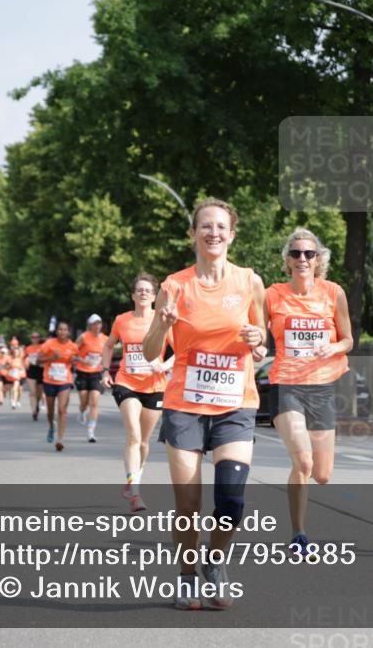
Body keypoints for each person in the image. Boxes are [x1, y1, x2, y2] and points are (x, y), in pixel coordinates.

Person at [143, 198, 266, 610]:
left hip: (236, 403)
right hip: (185, 404)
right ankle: (186, 577)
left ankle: (215, 561)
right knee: (189, 504)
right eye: (205, 227)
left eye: (221, 227)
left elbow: (262, 339)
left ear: (232, 234)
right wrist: (161, 323)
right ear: (193, 234)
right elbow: (149, 353)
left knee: (231, 499)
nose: (213, 233)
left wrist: (257, 341)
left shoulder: (250, 281)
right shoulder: (175, 286)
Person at [258, 228, 353, 557]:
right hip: (286, 384)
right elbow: (256, 331)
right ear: (287, 259)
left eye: (308, 254)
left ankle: (300, 520)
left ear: (319, 259)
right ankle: (299, 533)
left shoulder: (333, 293)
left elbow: (348, 340)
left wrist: (332, 347)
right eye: (296, 253)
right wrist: (254, 344)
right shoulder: (272, 294)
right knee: (303, 460)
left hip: (322, 387)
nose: (302, 259)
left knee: (322, 474)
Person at [101, 273, 174, 512]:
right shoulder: (122, 320)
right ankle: (134, 490)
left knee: (144, 441)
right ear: (133, 295)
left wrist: (163, 365)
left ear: (154, 297)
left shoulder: (162, 320)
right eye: (139, 290)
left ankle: (134, 480)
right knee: (133, 435)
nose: (143, 293)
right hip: (126, 383)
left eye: (148, 290)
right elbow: (109, 344)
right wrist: (105, 370)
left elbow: (182, 351)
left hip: (154, 385)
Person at [37, 321, 79, 451]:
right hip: (49, 380)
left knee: (61, 410)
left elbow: (75, 360)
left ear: (68, 332)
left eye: (65, 330)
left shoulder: (73, 346)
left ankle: (60, 439)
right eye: (60, 329)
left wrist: (74, 361)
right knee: (50, 411)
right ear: (56, 331)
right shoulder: (49, 344)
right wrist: (51, 358)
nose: (62, 332)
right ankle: (51, 427)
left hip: (64, 381)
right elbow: (38, 361)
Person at [75, 314, 108, 443]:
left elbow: (108, 353)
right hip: (83, 372)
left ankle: (91, 431)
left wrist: (105, 368)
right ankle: (82, 411)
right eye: (94, 323)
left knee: (94, 402)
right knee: (84, 402)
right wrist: (82, 359)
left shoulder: (105, 339)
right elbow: (73, 350)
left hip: (97, 374)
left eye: (99, 323)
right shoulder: (83, 337)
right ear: (90, 325)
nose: (97, 326)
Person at [24, 332, 46, 420]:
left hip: (41, 370)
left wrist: (43, 363)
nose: (35, 339)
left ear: (39, 338)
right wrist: (25, 363)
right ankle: (33, 411)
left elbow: (47, 357)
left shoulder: (43, 347)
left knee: (39, 393)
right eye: (33, 337)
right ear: (31, 338)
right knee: (32, 392)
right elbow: (25, 358)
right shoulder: (28, 348)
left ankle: (37, 405)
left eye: (37, 337)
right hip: (31, 369)